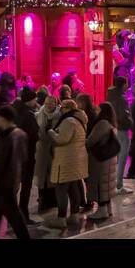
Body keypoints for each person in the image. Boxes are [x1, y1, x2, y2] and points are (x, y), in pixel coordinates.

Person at [0, 105, 31, 239]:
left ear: (3, 119)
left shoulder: (5, 138)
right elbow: (24, 158)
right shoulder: (21, 134)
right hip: (13, 180)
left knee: (13, 216)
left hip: (4, 183)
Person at [45, 98, 89, 230]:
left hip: (66, 159)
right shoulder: (80, 119)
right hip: (77, 158)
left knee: (61, 188)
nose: (60, 110)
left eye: (63, 107)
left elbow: (62, 139)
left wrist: (51, 132)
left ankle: (61, 218)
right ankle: (74, 215)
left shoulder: (69, 121)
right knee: (73, 187)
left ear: (69, 108)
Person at [84, 102, 119, 221]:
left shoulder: (102, 123)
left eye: (98, 109)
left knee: (100, 184)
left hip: (100, 160)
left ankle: (102, 210)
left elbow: (90, 141)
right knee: (106, 185)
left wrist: (82, 140)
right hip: (109, 159)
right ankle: (108, 210)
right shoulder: (112, 124)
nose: (96, 111)